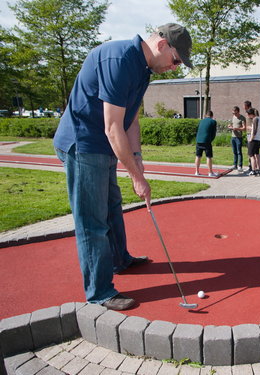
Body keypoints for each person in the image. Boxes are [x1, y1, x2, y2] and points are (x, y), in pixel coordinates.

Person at [53, 23, 193, 311]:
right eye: (176, 60)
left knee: (113, 206)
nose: (175, 67)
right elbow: (112, 126)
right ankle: (100, 292)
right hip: (84, 144)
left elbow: (132, 119)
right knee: (92, 221)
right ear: (162, 45)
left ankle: (120, 260)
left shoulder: (143, 70)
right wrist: (136, 177)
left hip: (103, 145)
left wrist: (138, 159)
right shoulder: (119, 60)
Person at [195, 110, 218, 176]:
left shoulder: (201, 121)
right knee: (208, 156)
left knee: (198, 156)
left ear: (205, 115)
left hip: (198, 140)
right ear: (212, 116)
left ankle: (197, 171)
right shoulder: (213, 121)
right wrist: (211, 140)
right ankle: (210, 172)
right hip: (207, 141)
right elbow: (214, 133)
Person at [227, 106, 246, 172]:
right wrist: (229, 126)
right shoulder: (233, 117)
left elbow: (244, 128)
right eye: (233, 113)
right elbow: (231, 123)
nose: (234, 114)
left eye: (235, 113)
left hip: (239, 137)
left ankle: (240, 166)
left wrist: (236, 129)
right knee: (234, 152)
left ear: (238, 111)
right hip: (233, 136)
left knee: (239, 152)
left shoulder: (242, 118)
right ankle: (235, 165)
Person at [246, 108, 260, 176]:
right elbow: (258, 129)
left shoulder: (255, 119)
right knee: (257, 154)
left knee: (251, 155)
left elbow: (255, 130)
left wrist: (251, 138)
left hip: (254, 139)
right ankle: (258, 169)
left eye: (248, 115)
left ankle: (253, 170)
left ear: (250, 114)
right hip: (258, 139)